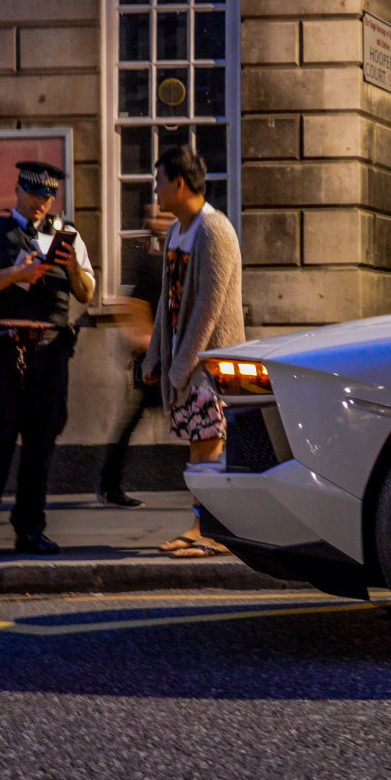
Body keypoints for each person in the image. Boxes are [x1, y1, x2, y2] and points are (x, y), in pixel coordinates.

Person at [0, 161, 95, 561]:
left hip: (50, 353)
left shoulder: (67, 236)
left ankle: (30, 530)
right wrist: (12, 274)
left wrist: (70, 268)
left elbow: (86, 292)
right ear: (18, 190)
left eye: (47, 196)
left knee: (40, 448)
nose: (40, 203)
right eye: (34, 194)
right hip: (6, 353)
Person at [141, 146, 245, 559]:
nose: (156, 192)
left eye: (159, 183)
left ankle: (215, 532)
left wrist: (180, 367)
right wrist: (155, 358)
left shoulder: (214, 230)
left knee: (208, 445)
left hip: (212, 363)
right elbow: (170, 301)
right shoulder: (176, 231)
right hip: (188, 363)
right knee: (199, 446)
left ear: (179, 184)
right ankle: (204, 525)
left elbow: (208, 307)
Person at [95, 205, 169, 509]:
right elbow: (135, 305)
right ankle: (109, 486)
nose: (162, 221)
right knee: (134, 420)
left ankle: (109, 485)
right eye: (158, 217)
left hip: (169, 352)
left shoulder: (171, 261)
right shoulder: (152, 263)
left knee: (139, 420)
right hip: (157, 355)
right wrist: (144, 340)